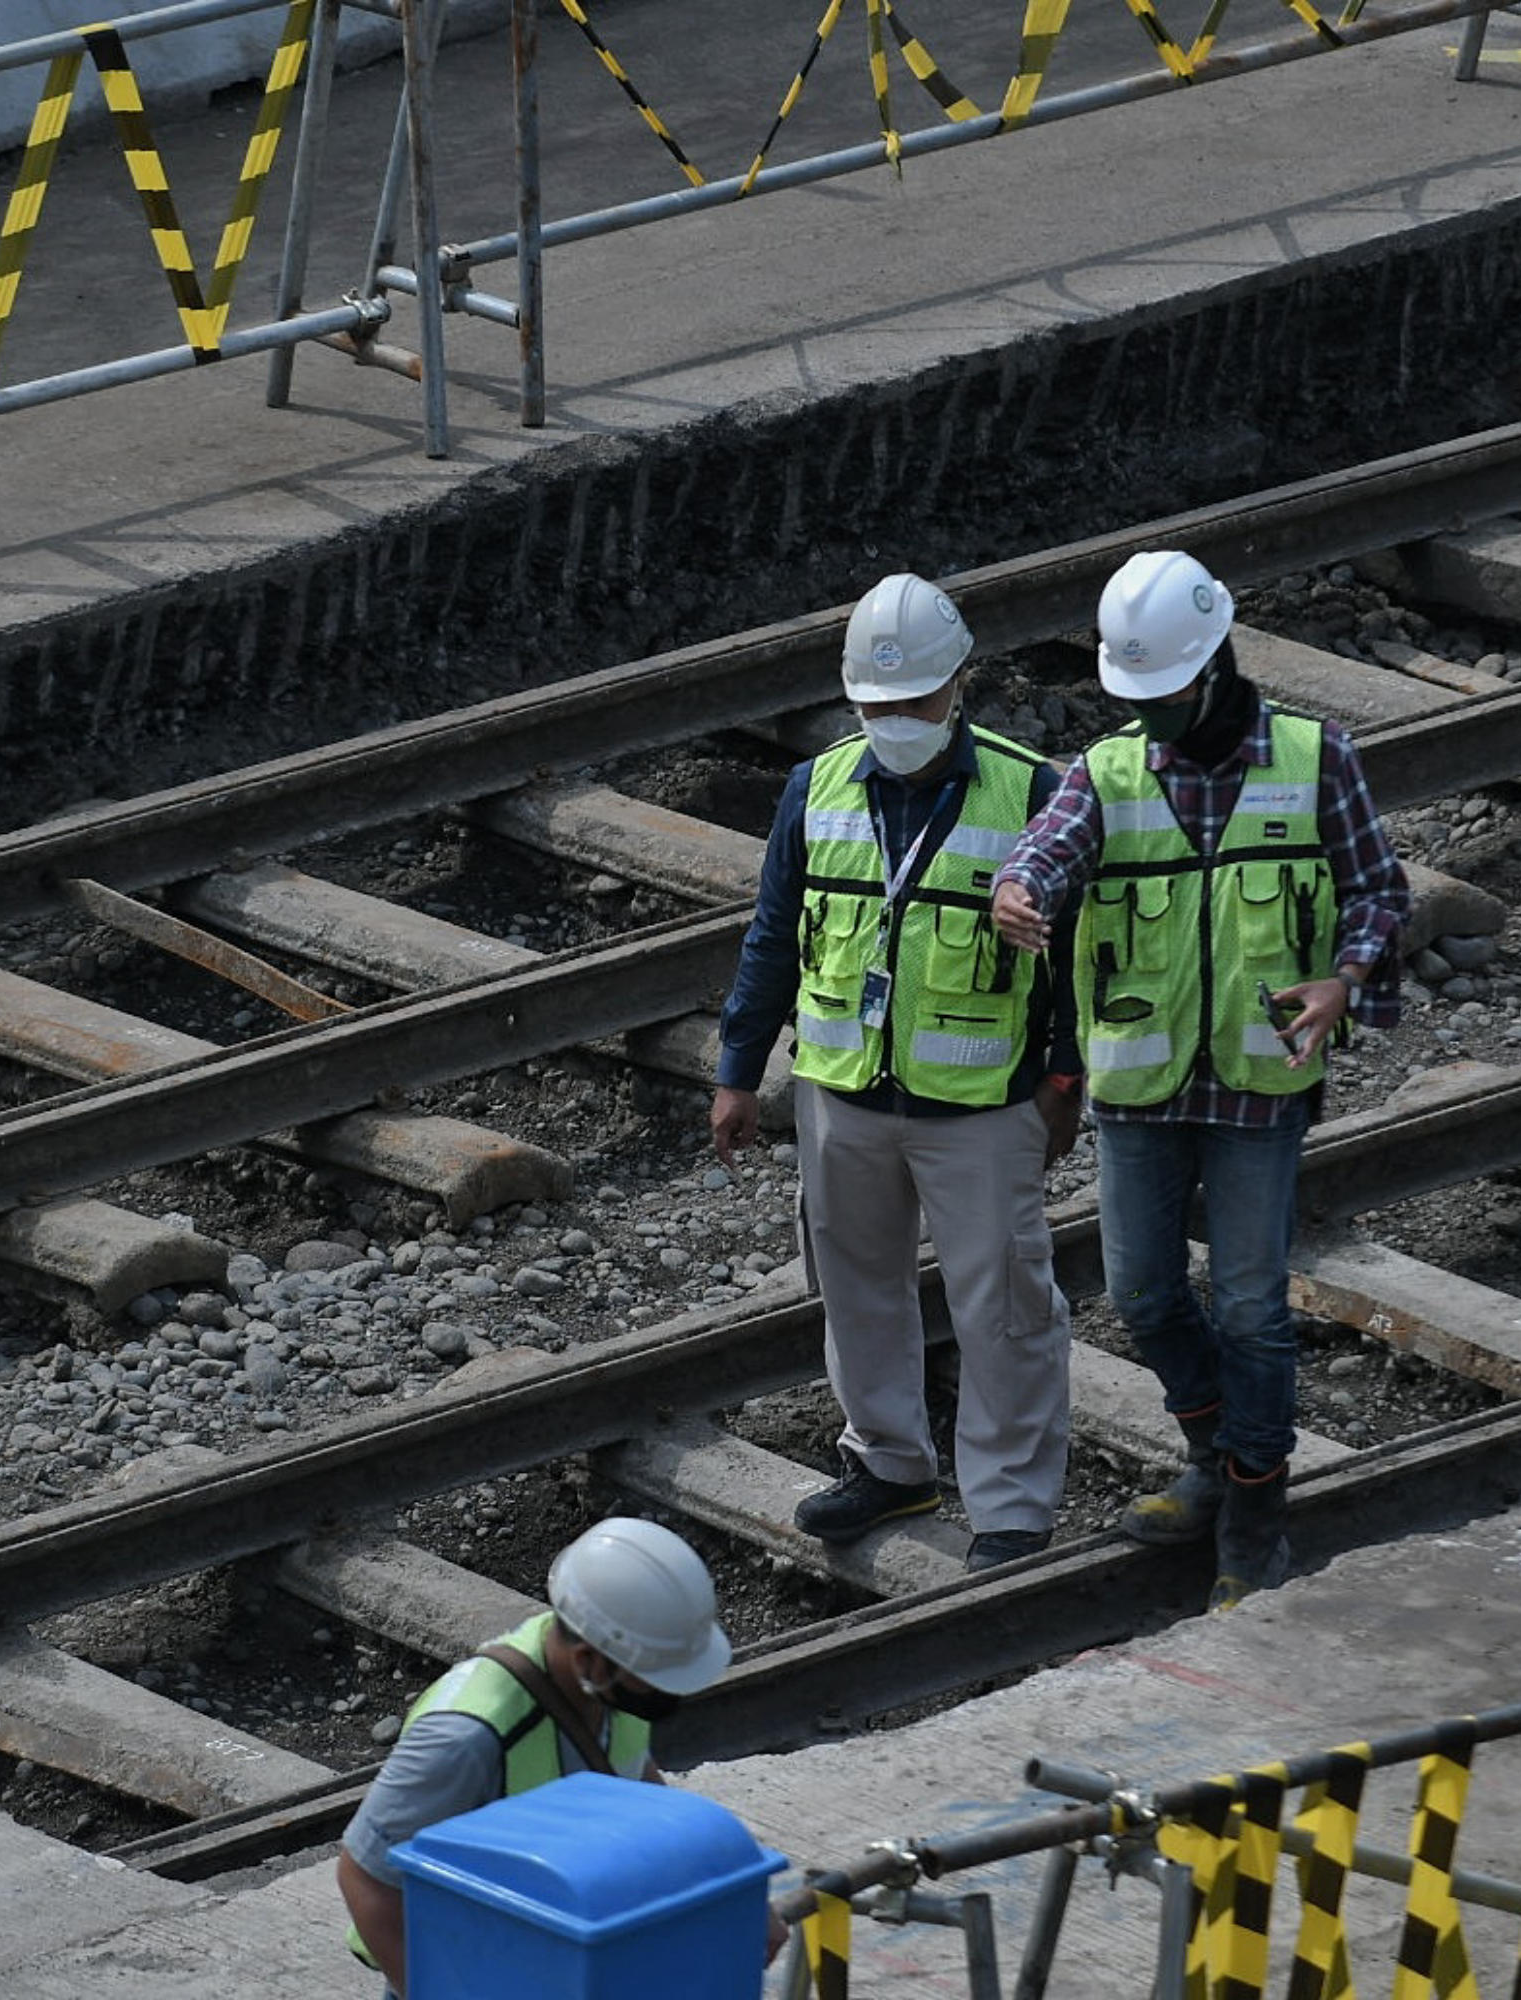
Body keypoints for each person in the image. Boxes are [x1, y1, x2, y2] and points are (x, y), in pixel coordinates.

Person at [989, 549, 1409, 1612]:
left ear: (1215, 664)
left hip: (1260, 1083)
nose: (1151, 713)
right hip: (1142, 1083)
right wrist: (1016, 891)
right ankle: (1214, 1451)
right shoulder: (1108, 772)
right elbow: (1044, 850)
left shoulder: (1317, 760)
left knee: (1256, 1306)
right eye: (1135, 697)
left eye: (1163, 693)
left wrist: (1345, 978)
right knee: (1139, 1288)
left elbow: (1377, 892)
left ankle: (1255, 1510)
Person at [711, 571, 1081, 1565]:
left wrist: (1065, 1078)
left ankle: (1010, 1507)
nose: (895, 719)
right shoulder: (816, 786)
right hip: (842, 1094)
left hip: (981, 1104)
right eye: (876, 705)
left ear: (959, 683)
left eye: (913, 700)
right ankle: (889, 1464)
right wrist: (739, 1068)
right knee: (857, 1287)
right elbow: (773, 936)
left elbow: (1082, 953)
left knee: (1002, 1304)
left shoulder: (1033, 787)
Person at [335, 1517, 742, 1995]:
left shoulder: (607, 1687)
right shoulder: (464, 1737)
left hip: (553, 1953)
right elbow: (366, 1880)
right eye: (658, 1676)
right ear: (590, 1660)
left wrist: (729, 1904)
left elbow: (634, 1781)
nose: (669, 1691)